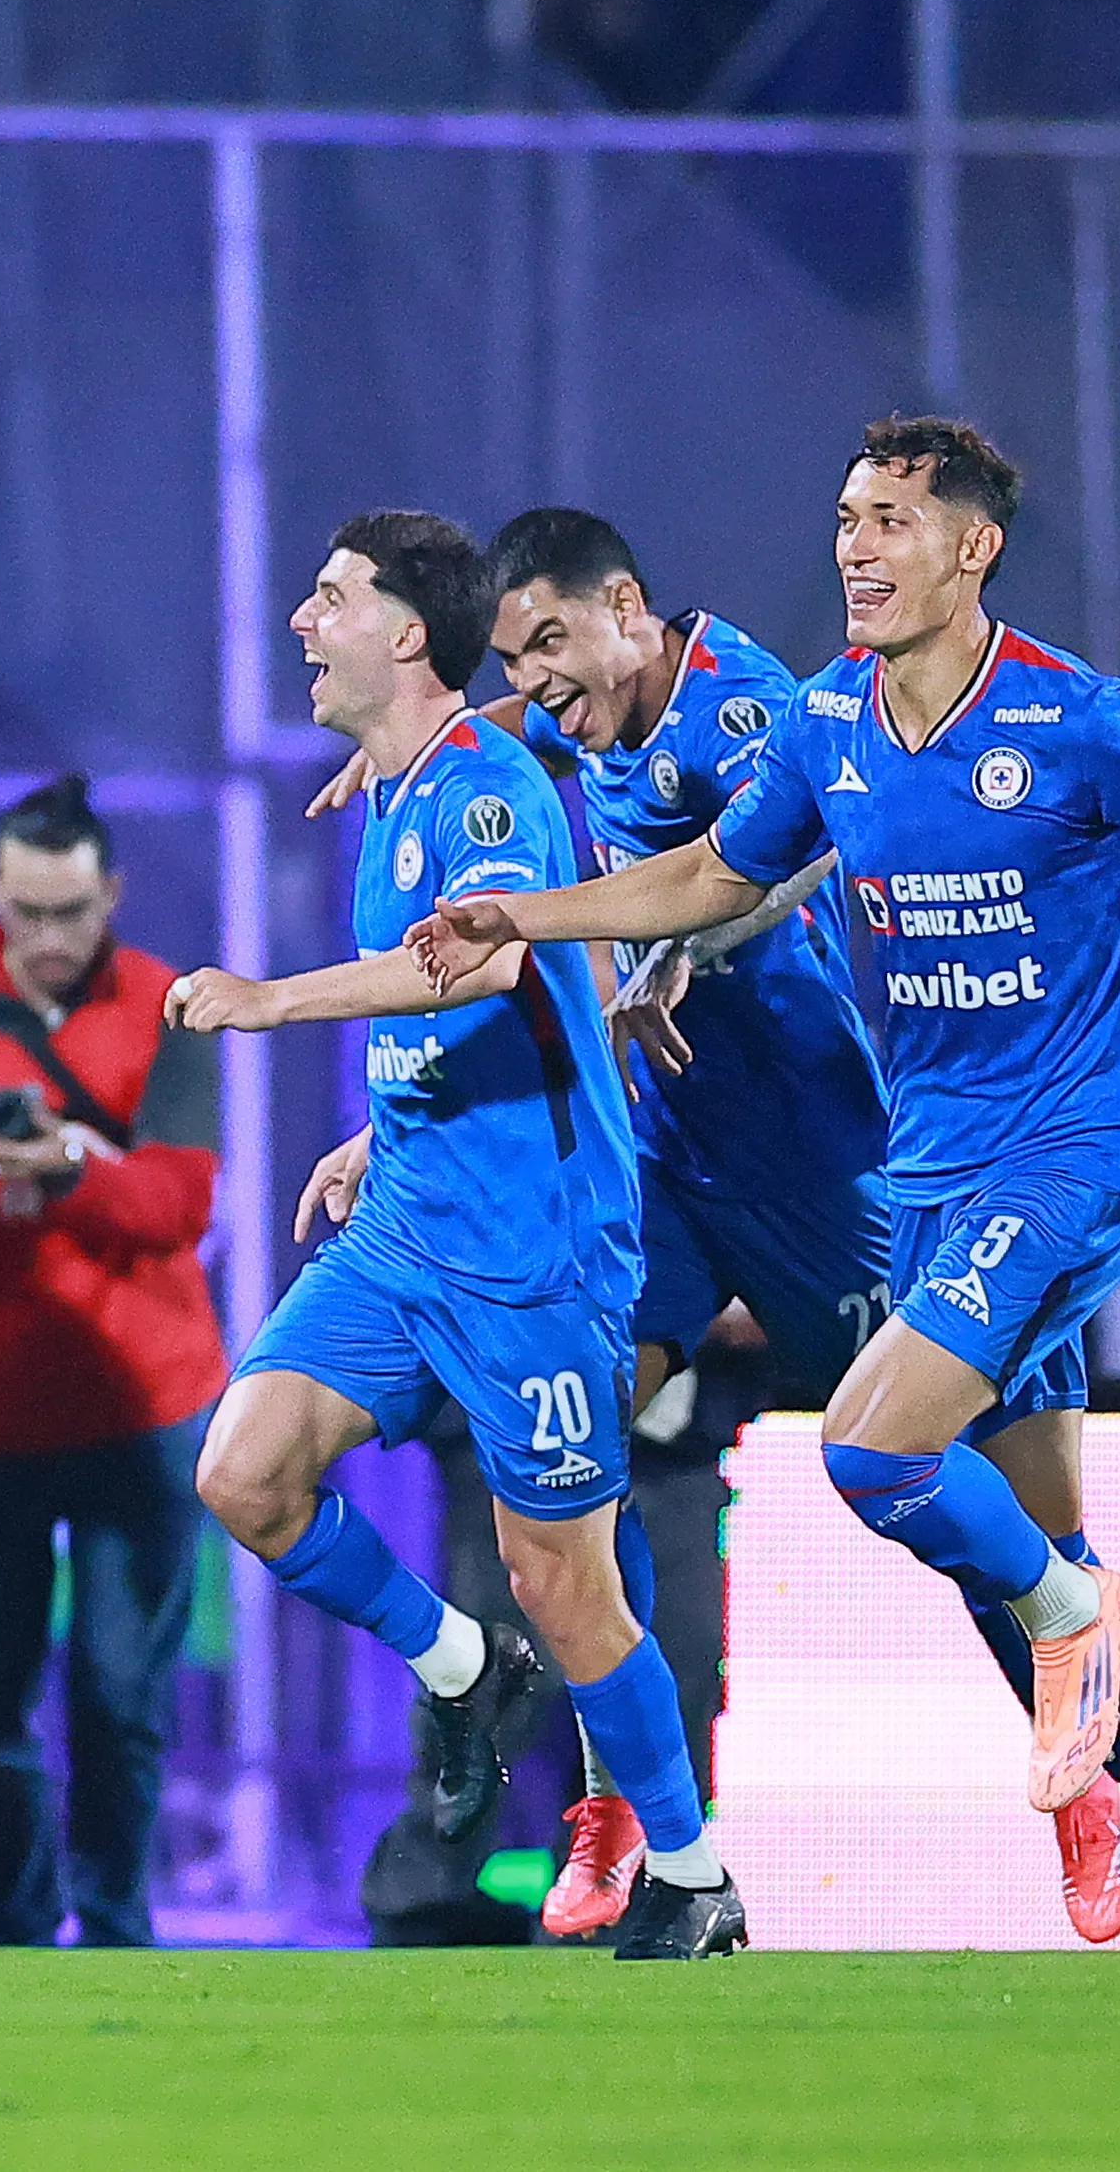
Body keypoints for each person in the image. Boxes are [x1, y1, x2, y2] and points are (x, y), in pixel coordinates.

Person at [413, 420, 1120, 1961]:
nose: (856, 547)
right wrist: (529, 916)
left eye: (892, 519)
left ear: (972, 547)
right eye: (843, 517)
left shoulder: (1078, 720)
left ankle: (1072, 1650)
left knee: (886, 1458)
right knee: (983, 1530)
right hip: (911, 1163)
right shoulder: (833, 722)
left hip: (1052, 1152)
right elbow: (709, 872)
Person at [306, 508, 930, 1938]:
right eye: (511, 654)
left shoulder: (748, 702)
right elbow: (513, 741)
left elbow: (806, 850)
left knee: (938, 1461)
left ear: (628, 607)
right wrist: (404, 742)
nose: (534, 679)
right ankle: (612, 1801)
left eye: (550, 643)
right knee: (585, 1462)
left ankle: (1091, 1721)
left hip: (806, 1150)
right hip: (653, 1151)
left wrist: (668, 945)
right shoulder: (565, 713)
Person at [162, 511, 741, 1960]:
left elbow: (478, 968)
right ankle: (464, 1666)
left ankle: (691, 1867)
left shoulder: (483, 791)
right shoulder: (414, 774)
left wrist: (265, 996)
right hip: (412, 1227)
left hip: (532, 1257)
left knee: (571, 1577)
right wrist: (378, 1129)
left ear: (405, 632)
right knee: (244, 1470)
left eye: (329, 597)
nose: (300, 619)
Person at [0, 775, 226, 1949]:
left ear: (110, 896)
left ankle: (117, 1928)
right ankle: (19, 1932)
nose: (46, 939)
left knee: (121, 1700)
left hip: (143, 1406)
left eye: (70, 912)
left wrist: (59, 1160)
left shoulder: (169, 1010)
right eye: (26, 912)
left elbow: (178, 1204)